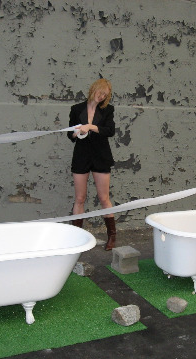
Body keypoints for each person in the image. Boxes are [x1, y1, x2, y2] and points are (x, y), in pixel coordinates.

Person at [67, 78, 117, 250]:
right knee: (79, 198)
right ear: (94, 89)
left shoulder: (108, 110)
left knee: (104, 198)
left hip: (100, 156)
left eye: (105, 95)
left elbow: (110, 130)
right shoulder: (76, 109)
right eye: (100, 92)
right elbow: (70, 135)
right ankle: (75, 237)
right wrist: (76, 132)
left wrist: (90, 126)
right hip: (81, 156)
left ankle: (112, 236)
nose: (102, 96)